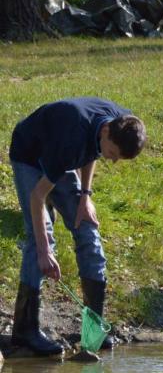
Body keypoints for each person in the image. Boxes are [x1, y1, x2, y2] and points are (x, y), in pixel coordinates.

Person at [9, 96, 147, 356]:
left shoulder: (120, 122)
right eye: (113, 155)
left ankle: (93, 330)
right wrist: (43, 252)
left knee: (87, 229)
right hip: (29, 153)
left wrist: (85, 196)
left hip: (60, 154)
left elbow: (93, 149)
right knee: (42, 235)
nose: (113, 161)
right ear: (107, 132)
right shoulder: (71, 140)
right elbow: (37, 197)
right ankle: (25, 330)